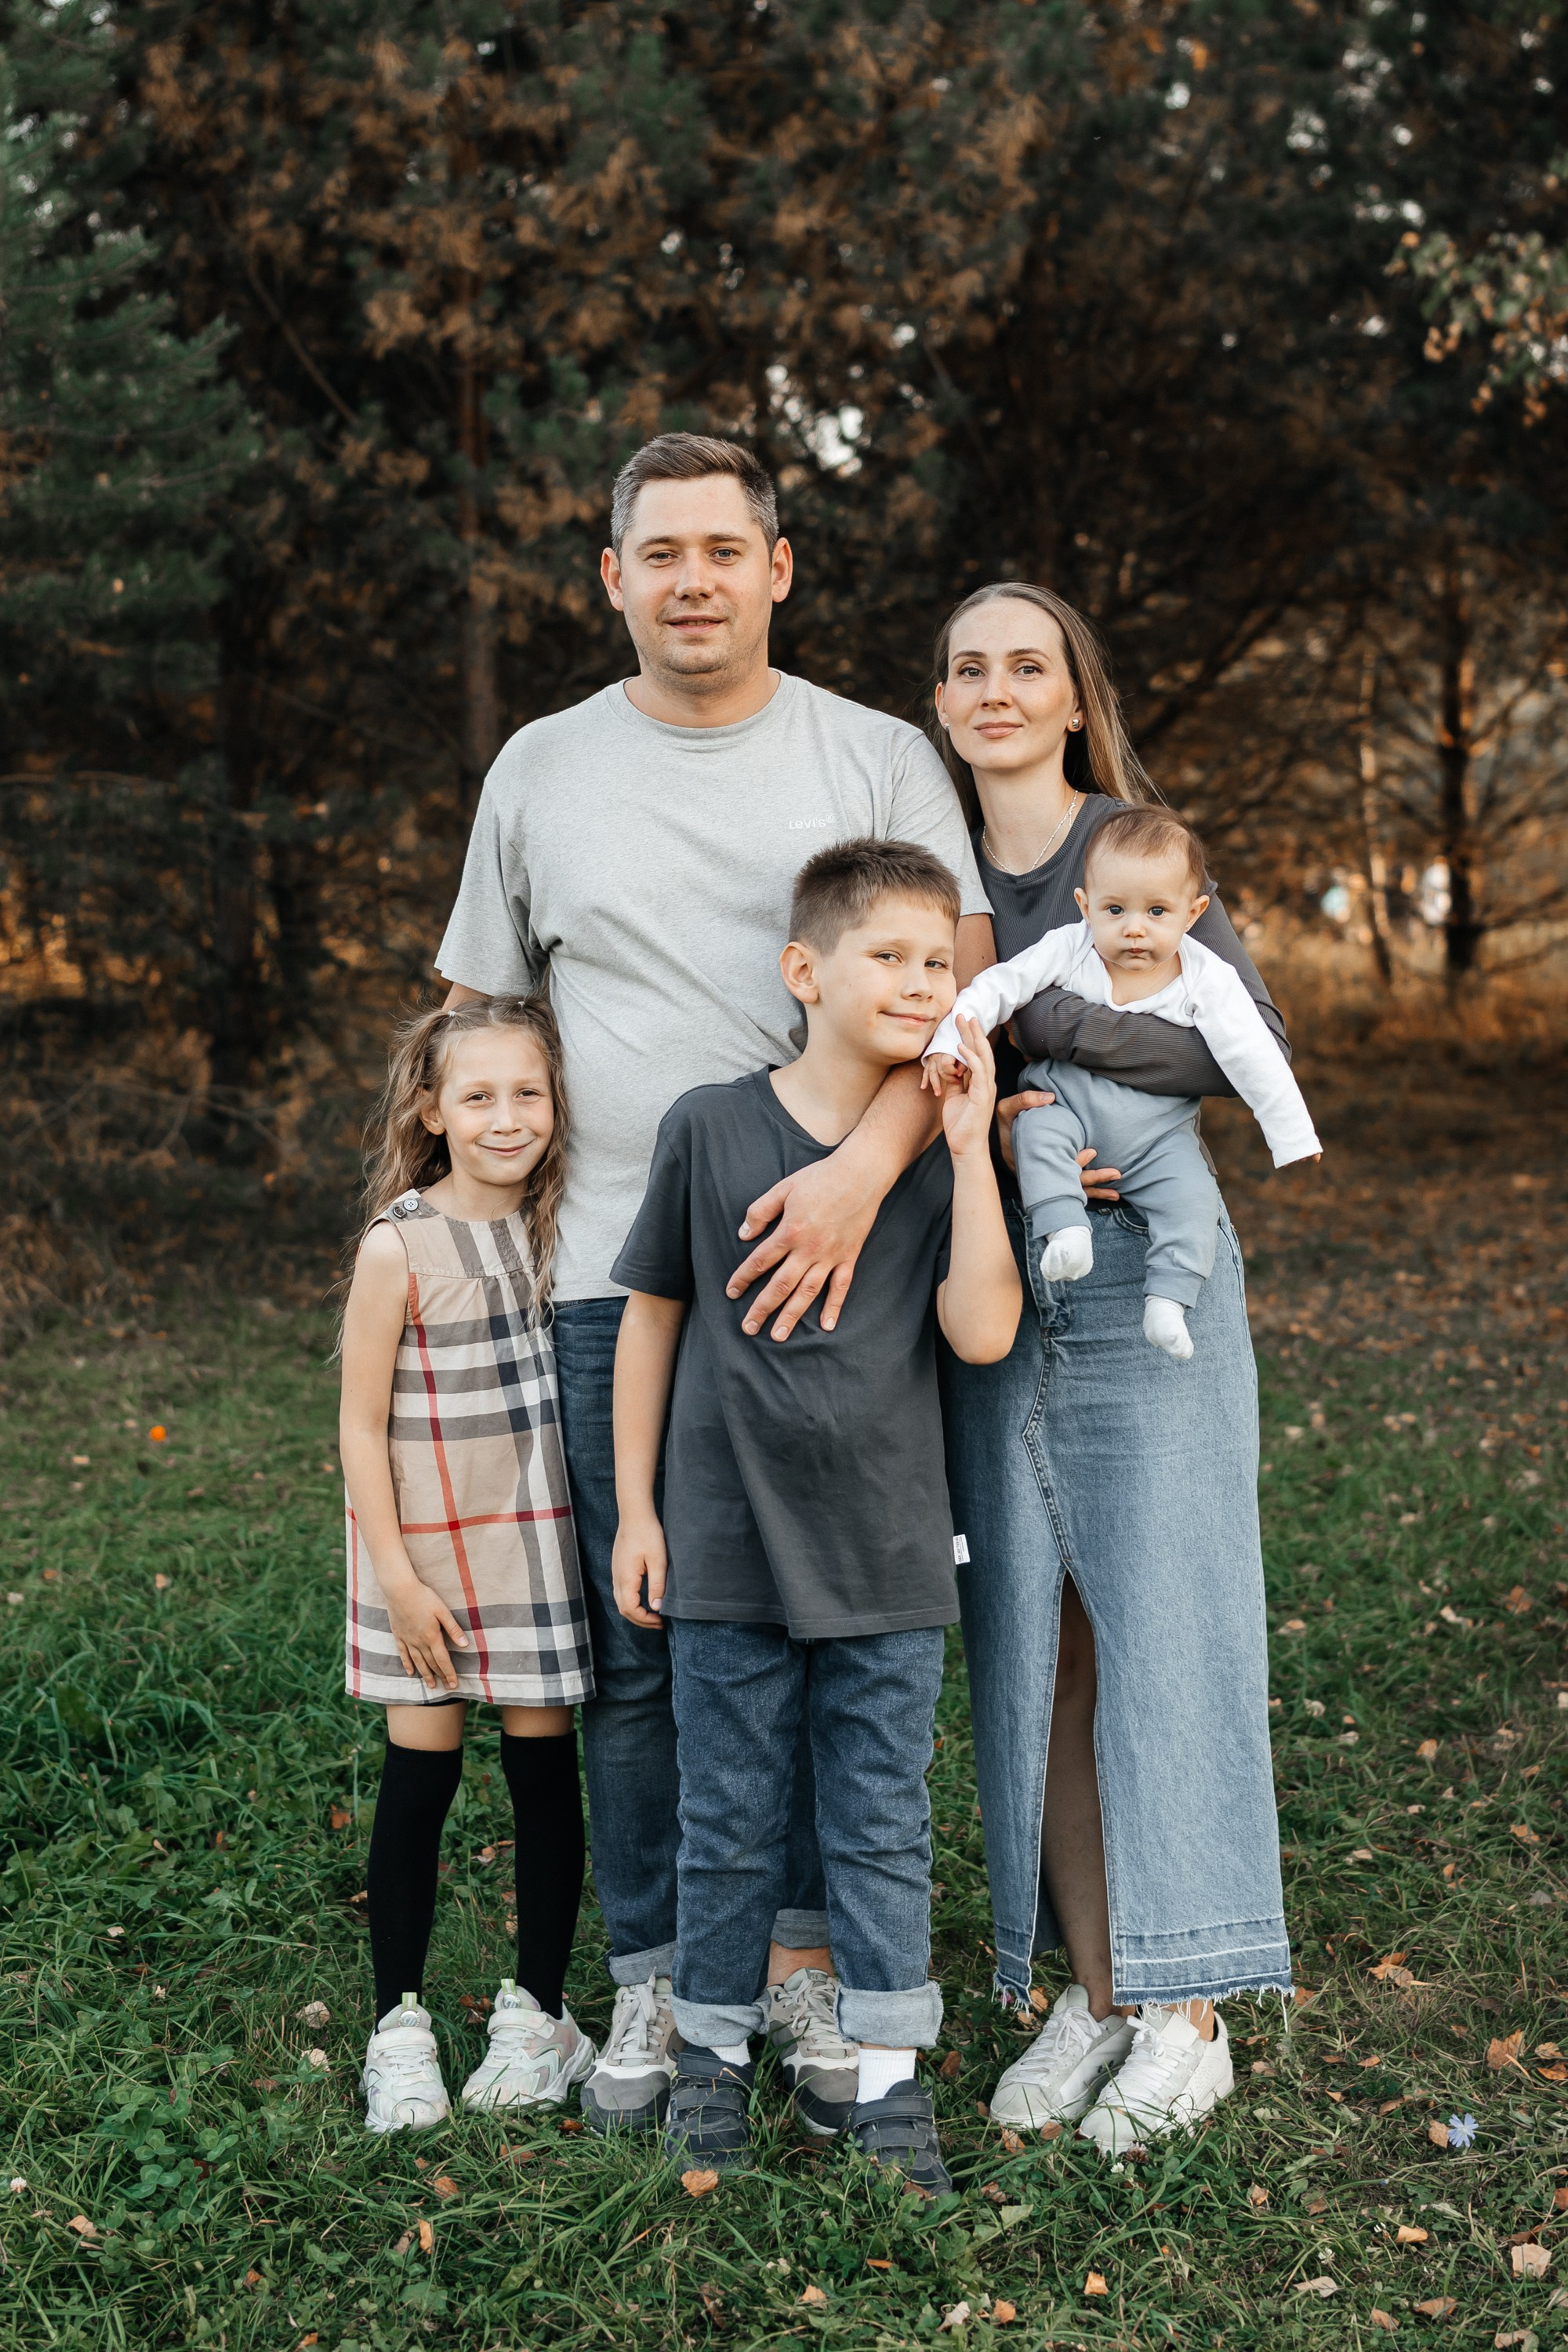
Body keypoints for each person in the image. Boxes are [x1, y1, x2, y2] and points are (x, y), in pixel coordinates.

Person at [433, 434, 993, 2131]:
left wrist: (863, 1172)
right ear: (611, 577)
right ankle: (665, 1974)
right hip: (620, 1272)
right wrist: (442, 1231)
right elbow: (482, 1018)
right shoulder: (541, 768)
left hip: (853, 1272)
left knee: (826, 1625)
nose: (693, 581)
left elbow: (961, 1001)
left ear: (779, 567)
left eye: (724, 550)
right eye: (659, 553)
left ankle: (807, 1971)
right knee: (649, 1633)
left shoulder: (873, 753)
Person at [930, 582, 1294, 2154]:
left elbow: (1240, 1043)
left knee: (1167, 1624)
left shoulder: (1136, 852)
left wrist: (1054, 1059)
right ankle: (1096, 1985)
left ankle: (1190, 2007)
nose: (996, 691)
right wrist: (1002, 1119)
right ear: (940, 701)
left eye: (1029, 666)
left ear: (1074, 697)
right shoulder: (935, 860)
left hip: (1147, 1273)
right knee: (1041, 1640)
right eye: (968, 668)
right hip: (992, 1274)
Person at [608, 840, 1022, 2186]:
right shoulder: (709, 1127)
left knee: (878, 1817)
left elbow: (980, 1331)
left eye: (936, 962)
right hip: (725, 1539)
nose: (921, 982)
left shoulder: (939, 1147)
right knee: (727, 1815)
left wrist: (968, 1151)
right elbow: (652, 1320)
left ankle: (890, 2084)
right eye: (887, 956)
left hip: (888, 1546)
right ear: (805, 971)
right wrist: (636, 1512)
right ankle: (711, 2066)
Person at [339, 996, 597, 2133]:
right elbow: (358, 1427)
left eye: (527, 1092)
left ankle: (539, 2012)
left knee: (542, 1771)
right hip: (425, 1553)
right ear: (432, 1111)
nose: (507, 1117)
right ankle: (396, 2027)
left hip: (532, 1536)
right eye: (479, 1096)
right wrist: (397, 1579)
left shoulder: (562, 1228)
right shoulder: (396, 1245)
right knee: (422, 1775)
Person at [926, 804, 1321, 1359]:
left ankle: (1168, 1302)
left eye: (1157, 911)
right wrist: (948, 1044)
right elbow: (998, 987)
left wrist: (1292, 1135)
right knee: (1037, 1131)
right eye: (1115, 910)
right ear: (1085, 905)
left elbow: (1254, 1054)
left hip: (1160, 1137)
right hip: (1068, 1108)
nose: (1135, 928)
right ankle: (1066, 1231)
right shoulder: (1071, 946)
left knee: (1194, 1198)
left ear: (1193, 912)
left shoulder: (1206, 976)